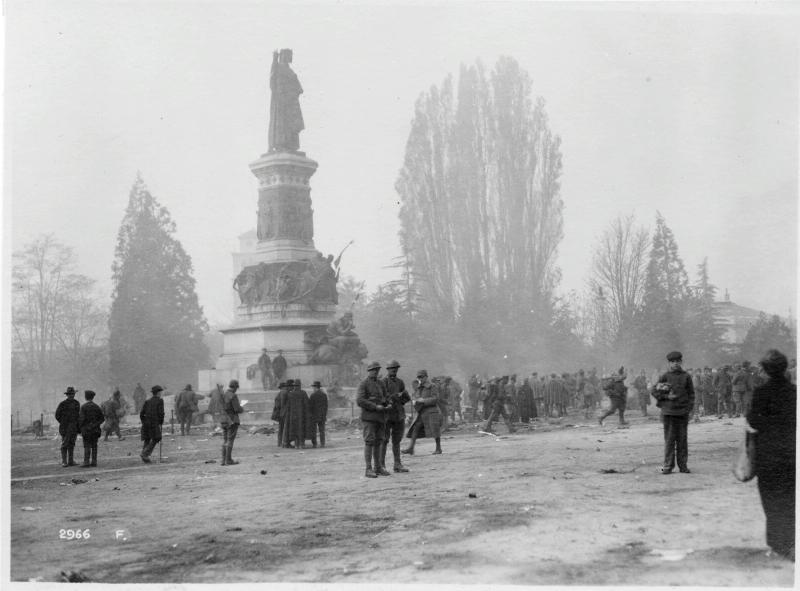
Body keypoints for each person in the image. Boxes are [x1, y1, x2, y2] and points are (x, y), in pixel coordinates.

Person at [746, 349, 796, 560]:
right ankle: (792, 542)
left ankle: (777, 544)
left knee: (771, 499)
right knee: (791, 498)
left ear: (765, 370)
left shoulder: (761, 393)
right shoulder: (795, 392)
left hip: (768, 455)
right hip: (792, 453)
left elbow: (754, 422)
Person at [651, 351, 694, 474]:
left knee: (682, 441)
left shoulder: (686, 376)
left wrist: (690, 409)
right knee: (669, 441)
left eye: (677, 361)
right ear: (669, 363)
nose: (675, 364)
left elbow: (691, 394)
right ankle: (668, 466)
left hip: (682, 413)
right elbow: (654, 391)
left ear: (681, 362)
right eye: (672, 362)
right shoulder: (665, 376)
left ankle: (683, 466)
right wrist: (666, 397)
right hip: (669, 413)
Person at [357, 361, 390, 478]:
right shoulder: (363, 384)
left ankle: (378, 467)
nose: (376, 371)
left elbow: (386, 396)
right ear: (369, 371)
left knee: (379, 441)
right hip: (369, 418)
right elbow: (360, 400)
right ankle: (368, 469)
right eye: (373, 370)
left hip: (380, 417)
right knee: (369, 441)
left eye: (377, 369)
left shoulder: (381, 383)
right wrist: (375, 406)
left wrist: (388, 403)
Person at [403, 369, 444, 455]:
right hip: (422, 412)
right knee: (415, 428)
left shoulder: (432, 386)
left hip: (432, 411)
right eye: (418, 377)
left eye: (421, 377)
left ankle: (438, 448)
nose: (420, 379)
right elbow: (416, 397)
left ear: (426, 377)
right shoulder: (418, 388)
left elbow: (436, 399)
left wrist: (423, 400)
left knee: (435, 430)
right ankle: (411, 448)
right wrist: (415, 400)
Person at [382, 360, 411, 473]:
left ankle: (397, 464)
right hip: (387, 415)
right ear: (388, 369)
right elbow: (382, 398)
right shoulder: (383, 382)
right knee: (384, 440)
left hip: (398, 414)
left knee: (397, 441)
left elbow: (406, 397)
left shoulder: (400, 382)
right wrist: (394, 397)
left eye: (396, 368)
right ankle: (381, 465)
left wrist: (401, 397)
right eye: (392, 368)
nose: (394, 370)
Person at [220, 379, 244, 465]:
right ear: (234, 387)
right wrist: (242, 408)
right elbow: (237, 409)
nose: (236, 389)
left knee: (225, 440)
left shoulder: (223, 395)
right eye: (236, 388)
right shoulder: (233, 396)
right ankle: (228, 460)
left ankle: (223, 460)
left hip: (223, 419)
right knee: (230, 440)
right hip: (232, 419)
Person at [55, 386, 81, 467]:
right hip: (65, 428)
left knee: (72, 444)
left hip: (74, 427)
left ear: (74, 394)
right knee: (64, 444)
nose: (71, 395)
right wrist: (63, 422)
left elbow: (78, 416)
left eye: (72, 394)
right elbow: (57, 415)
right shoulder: (62, 404)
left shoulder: (77, 403)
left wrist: (77, 426)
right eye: (69, 394)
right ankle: (64, 461)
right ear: (67, 395)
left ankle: (71, 461)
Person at [78, 390, 104, 467]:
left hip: (86, 430)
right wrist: (95, 425)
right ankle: (94, 462)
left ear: (86, 397)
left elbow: (81, 419)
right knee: (94, 445)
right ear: (93, 397)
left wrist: (80, 428)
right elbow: (102, 419)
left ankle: (86, 462)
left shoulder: (83, 407)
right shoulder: (97, 407)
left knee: (87, 445)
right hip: (95, 430)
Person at [140, 385, 165, 463]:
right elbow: (161, 413)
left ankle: (145, 457)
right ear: (158, 393)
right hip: (154, 423)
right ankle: (145, 454)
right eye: (160, 392)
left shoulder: (147, 401)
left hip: (146, 422)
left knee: (147, 438)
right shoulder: (160, 401)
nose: (161, 393)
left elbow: (141, 414)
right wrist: (160, 422)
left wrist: (144, 421)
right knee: (156, 438)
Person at [285, 378, 311, 449]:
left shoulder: (291, 394)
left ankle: (296, 444)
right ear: (300, 385)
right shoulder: (303, 393)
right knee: (301, 429)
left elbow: (288, 406)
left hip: (293, 415)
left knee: (294, 429)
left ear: (294, 385)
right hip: (302, 415)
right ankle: (302, 444)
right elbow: (307, 404)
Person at [308, 381, 328, 448]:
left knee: (314, 430)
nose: (313, 388)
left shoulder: (313, 395)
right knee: (322, 430)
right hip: (322, 415)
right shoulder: (324, 395)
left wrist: (310, 415)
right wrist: (325, 415)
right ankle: (322, 443)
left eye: (313, 387)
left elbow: (310, 406)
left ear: (315, 387)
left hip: (314, 415)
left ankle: (314, 444)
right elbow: (326, 406)